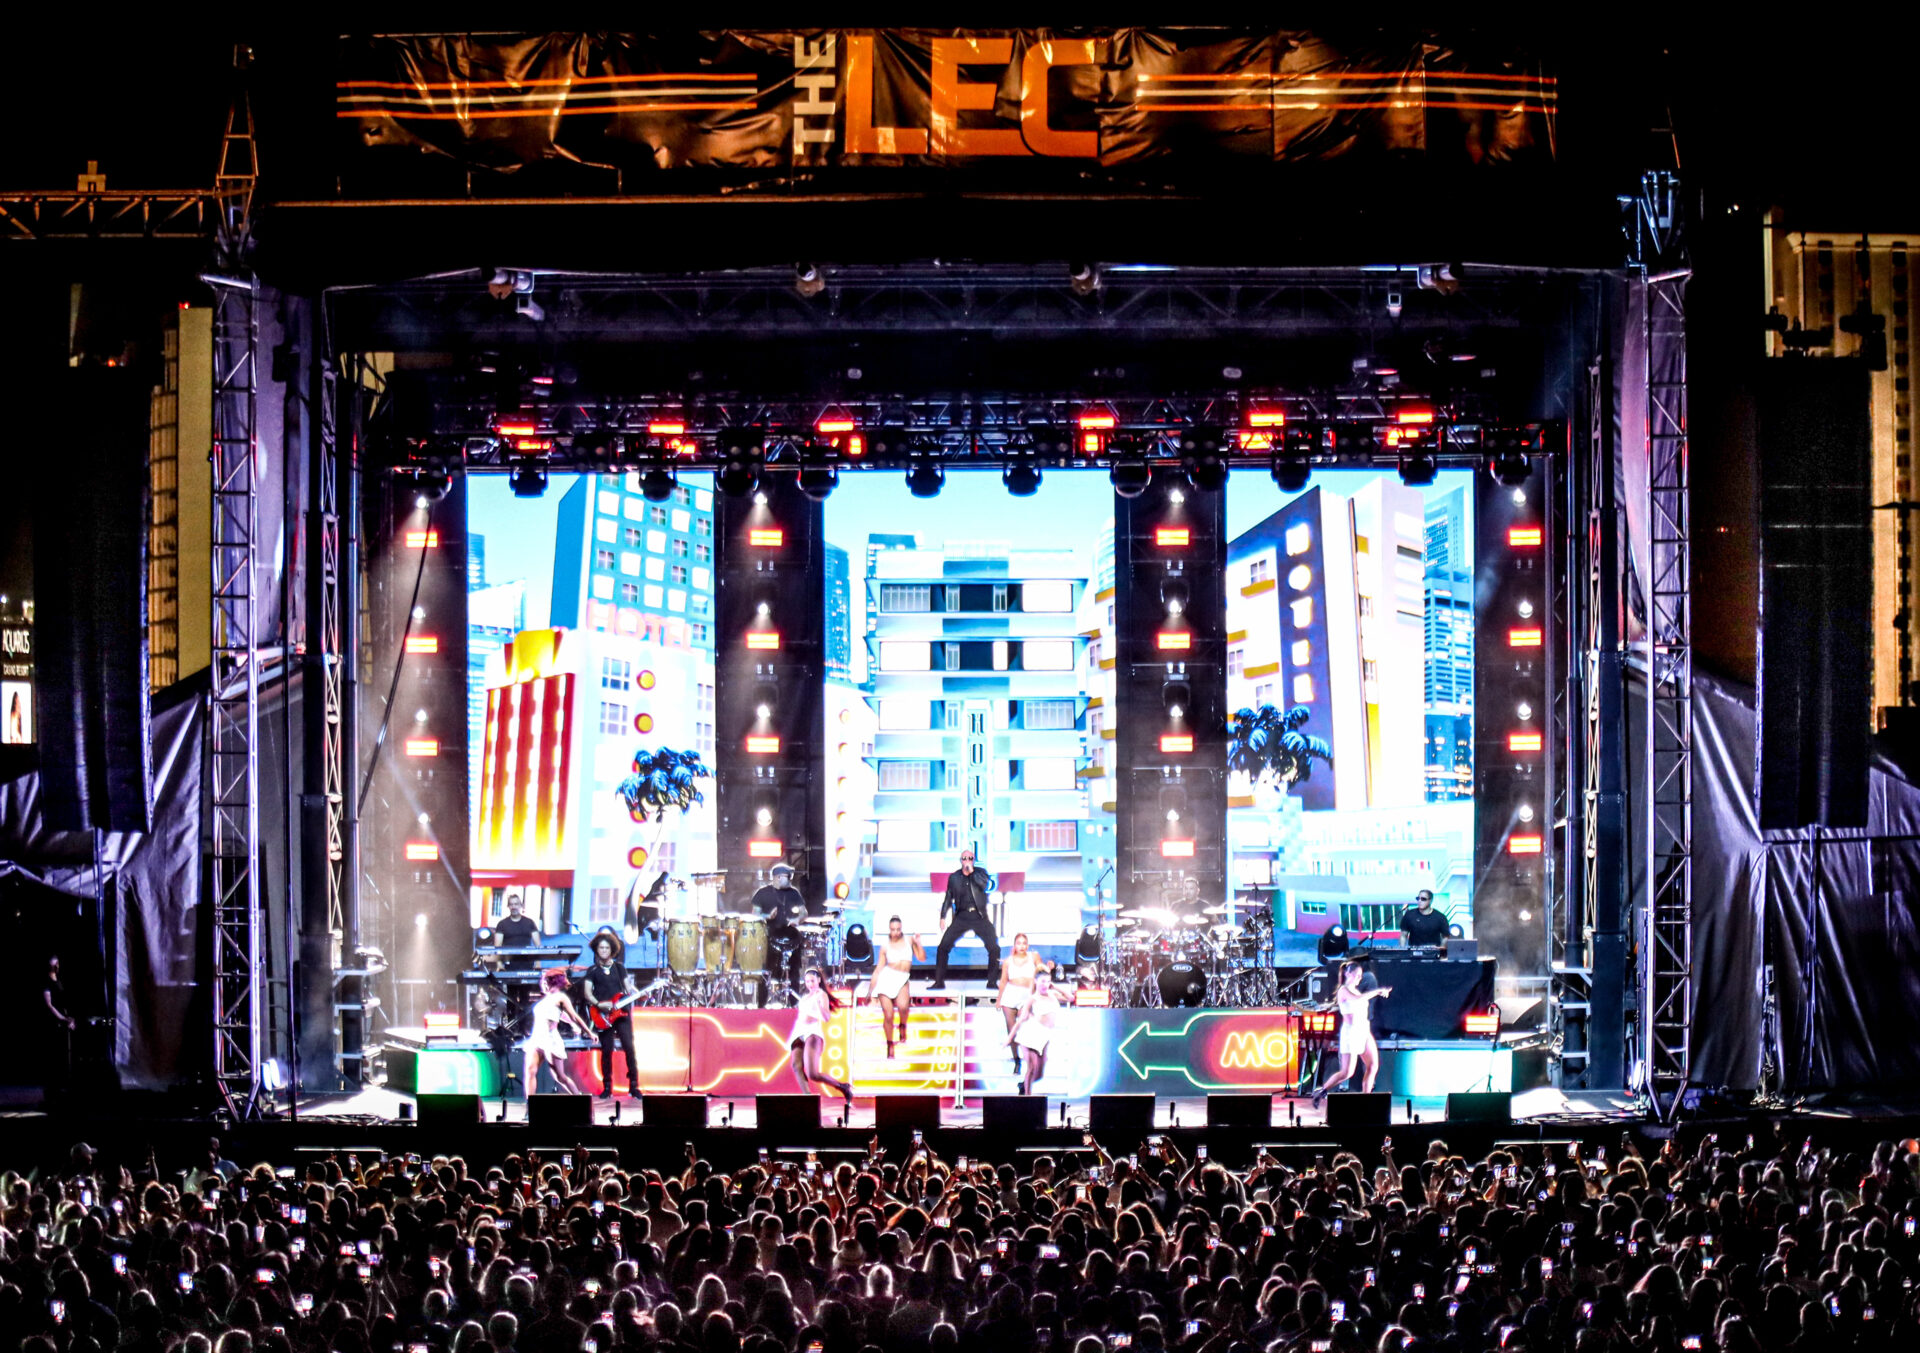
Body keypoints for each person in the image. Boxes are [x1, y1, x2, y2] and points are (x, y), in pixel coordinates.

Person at [1311, 959, 1393, 1106]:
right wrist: (1378, 991)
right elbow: (1357, 999)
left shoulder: (1356, 990)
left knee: (1373, 1065)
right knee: (1347, 1072)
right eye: (1357, 975)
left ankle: (1366, 1099)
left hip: (1364, 1030)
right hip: (1351, 1033)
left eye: (1361, 976)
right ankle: (1322, 1091)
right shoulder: (1343, 990)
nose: (1359, 978)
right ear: (1348, 974)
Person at [577, 932, 640, 1101]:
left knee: (629, 1047)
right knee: (606, 1050)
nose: (604, 950)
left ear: (612, 950)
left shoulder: (619, 968)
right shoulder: (592, 971)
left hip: (621, 1012)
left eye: (606, 948)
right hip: (603, 1015)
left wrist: (639, 994)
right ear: (596, 950)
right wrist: (599, 1004)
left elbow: (628, 988)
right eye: (601, 948)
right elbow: (587, 993)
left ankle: (634, 1086)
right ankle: (607, 1087)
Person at [930, 849, 999, 989]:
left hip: (979, 916)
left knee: (994, 948)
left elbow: (984, 885)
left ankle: (992, 981)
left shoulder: (981, 873)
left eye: (970, 858)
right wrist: (943, 916)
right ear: (961, 860)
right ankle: (939, 981)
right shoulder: (954, 877)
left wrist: (972, 872)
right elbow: (948, 897)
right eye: (964, 858)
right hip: (961, 916)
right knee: (943, 947)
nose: (967, 861)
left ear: (974, 860)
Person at [787, 968, 854, 1105]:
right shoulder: (805, 997)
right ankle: (808, 1098)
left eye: (812, 981)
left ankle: (842, 1086)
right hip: (799, 1031)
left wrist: (819, 1005)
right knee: (796, 1065)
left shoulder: (821, 994)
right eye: (807, 981)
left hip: (812, 1032)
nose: (810, 984)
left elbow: (826, 1017)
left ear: (818, 980)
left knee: (813, 1073)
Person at [525, 967, 588, 1097]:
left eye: (545, 981)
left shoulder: (561, 997)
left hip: (551, 1040)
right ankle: (529, 1104)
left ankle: (579, 1099)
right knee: (530, 1070)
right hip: (537, 1039)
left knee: (560, 1076)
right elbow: (561, 1015)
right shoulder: (544, 1000)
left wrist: (587, 1031)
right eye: (542, 981)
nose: (542, 984)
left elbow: (573, 1016)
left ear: (552, 982)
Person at [754, 863, 818, 991]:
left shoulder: (793, 893)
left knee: (794, 968)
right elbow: (755, 914)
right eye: (786, 877)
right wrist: (767, 916)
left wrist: (797, 919)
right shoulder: (763, 893)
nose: (789, 879)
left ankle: (793, 995)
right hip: (770, 935)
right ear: (777, 877)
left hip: (789, 935)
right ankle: (764, 996)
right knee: (767, 969)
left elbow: (804, 912)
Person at [869, 917, 926, 1058]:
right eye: (893, 929)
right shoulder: (885, 946)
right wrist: (870, 992)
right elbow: (878, 969)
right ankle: (890, 1044)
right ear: (889, 929)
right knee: (888, 1015)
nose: (896, 932)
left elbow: (921, 958)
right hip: (887, 978)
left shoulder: (909, 940)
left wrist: (919, 943)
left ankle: (902, 1025)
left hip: (902, 978)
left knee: (903, 1007)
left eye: (898, 929)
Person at [996, 933, 1053, 1070]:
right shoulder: (1008, 961)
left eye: (1024, 943)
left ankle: (1030, 1059)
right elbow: (1003, 981)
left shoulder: (1033, 956)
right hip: (1010, 995)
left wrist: (1049, 967)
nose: (1021, 946)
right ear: (1015, 945)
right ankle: (1016, 1060)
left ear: (1027, 945)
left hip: (1026, 995)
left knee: (1024, 1028)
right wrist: (999, 999)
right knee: (1011, 1031)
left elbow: (1041, 969)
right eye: (1019, 943)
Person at [1006, 971, 1062, 1096]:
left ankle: (1024, 1085)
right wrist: (1009, 1039)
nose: (1045, 984)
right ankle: (1028, 1097)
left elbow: (1070, 997)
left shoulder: (1053, 995)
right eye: (1043, 981)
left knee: (1040, 1073)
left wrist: (1056, 986)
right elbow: (1020, 1020)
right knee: (1031, 1067)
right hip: (1032, 1033)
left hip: (1044, 1036)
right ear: (1036, 981)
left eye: (1048, 981)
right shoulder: (1032, 999)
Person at [42, 953, 74, 1103]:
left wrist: (69, 1018)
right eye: (55, 964)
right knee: (54, 1056)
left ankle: (63, 1087)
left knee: (64, 1055)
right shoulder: (46, 981)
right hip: (53, 1023)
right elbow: (49, 1005)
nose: (57, 967)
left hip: (63, 1021)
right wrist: (61, 1018)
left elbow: (63, 1001)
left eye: (57, 964)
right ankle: (52, 1090)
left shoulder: (59, 981)